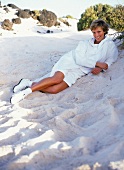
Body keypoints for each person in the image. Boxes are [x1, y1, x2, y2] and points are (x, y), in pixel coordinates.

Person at [10, 19, 118, 104]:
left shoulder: (110, 45)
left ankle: (28, 83)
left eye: (98, 32)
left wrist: (102, 67)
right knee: (57, 78)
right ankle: (25, 92)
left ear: (104, 31)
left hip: (80, 71)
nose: (96, 35)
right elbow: (80, 59)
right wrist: (97, 64)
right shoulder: (84, 43)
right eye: (94, 32)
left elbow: (111, 59)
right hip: (70, 61)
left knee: (54, 89)